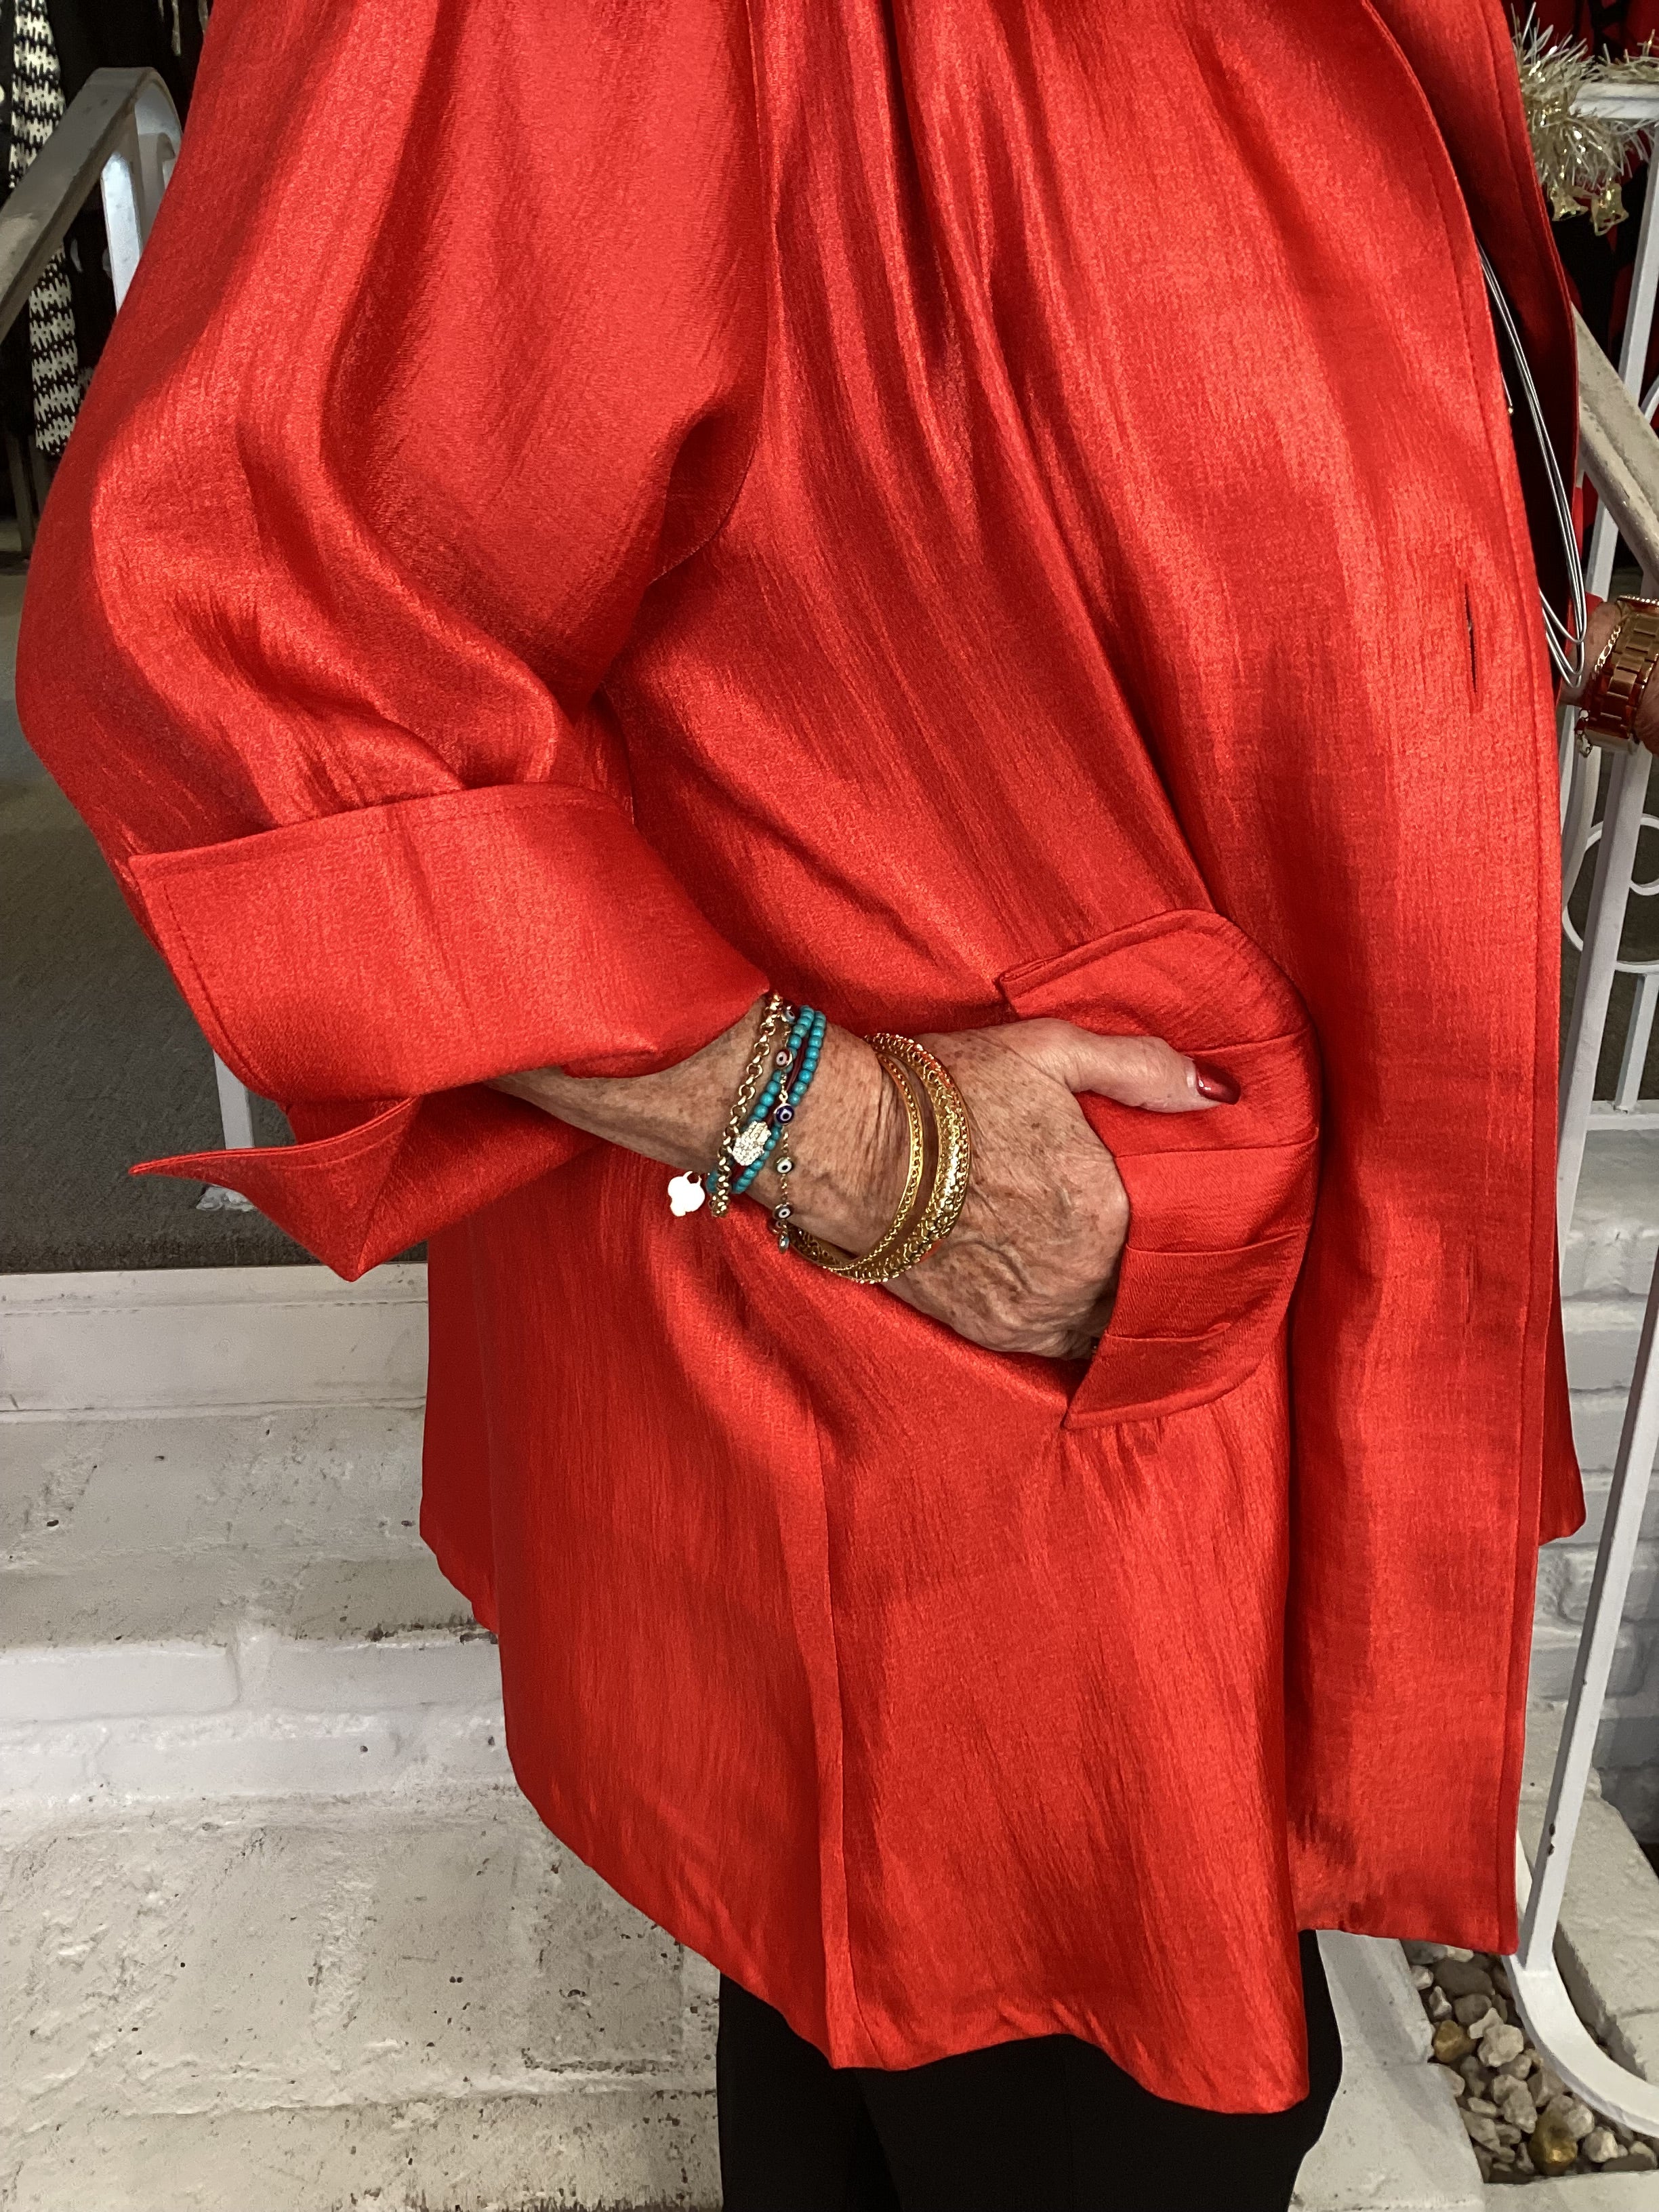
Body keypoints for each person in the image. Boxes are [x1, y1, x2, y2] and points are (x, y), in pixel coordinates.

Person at [16, 1, 1608, 2203]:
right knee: (1114, 2101)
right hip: (953, 1349)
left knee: (914, 2057)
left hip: (1149, 1314)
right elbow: (234, 627)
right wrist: (865, 1152)